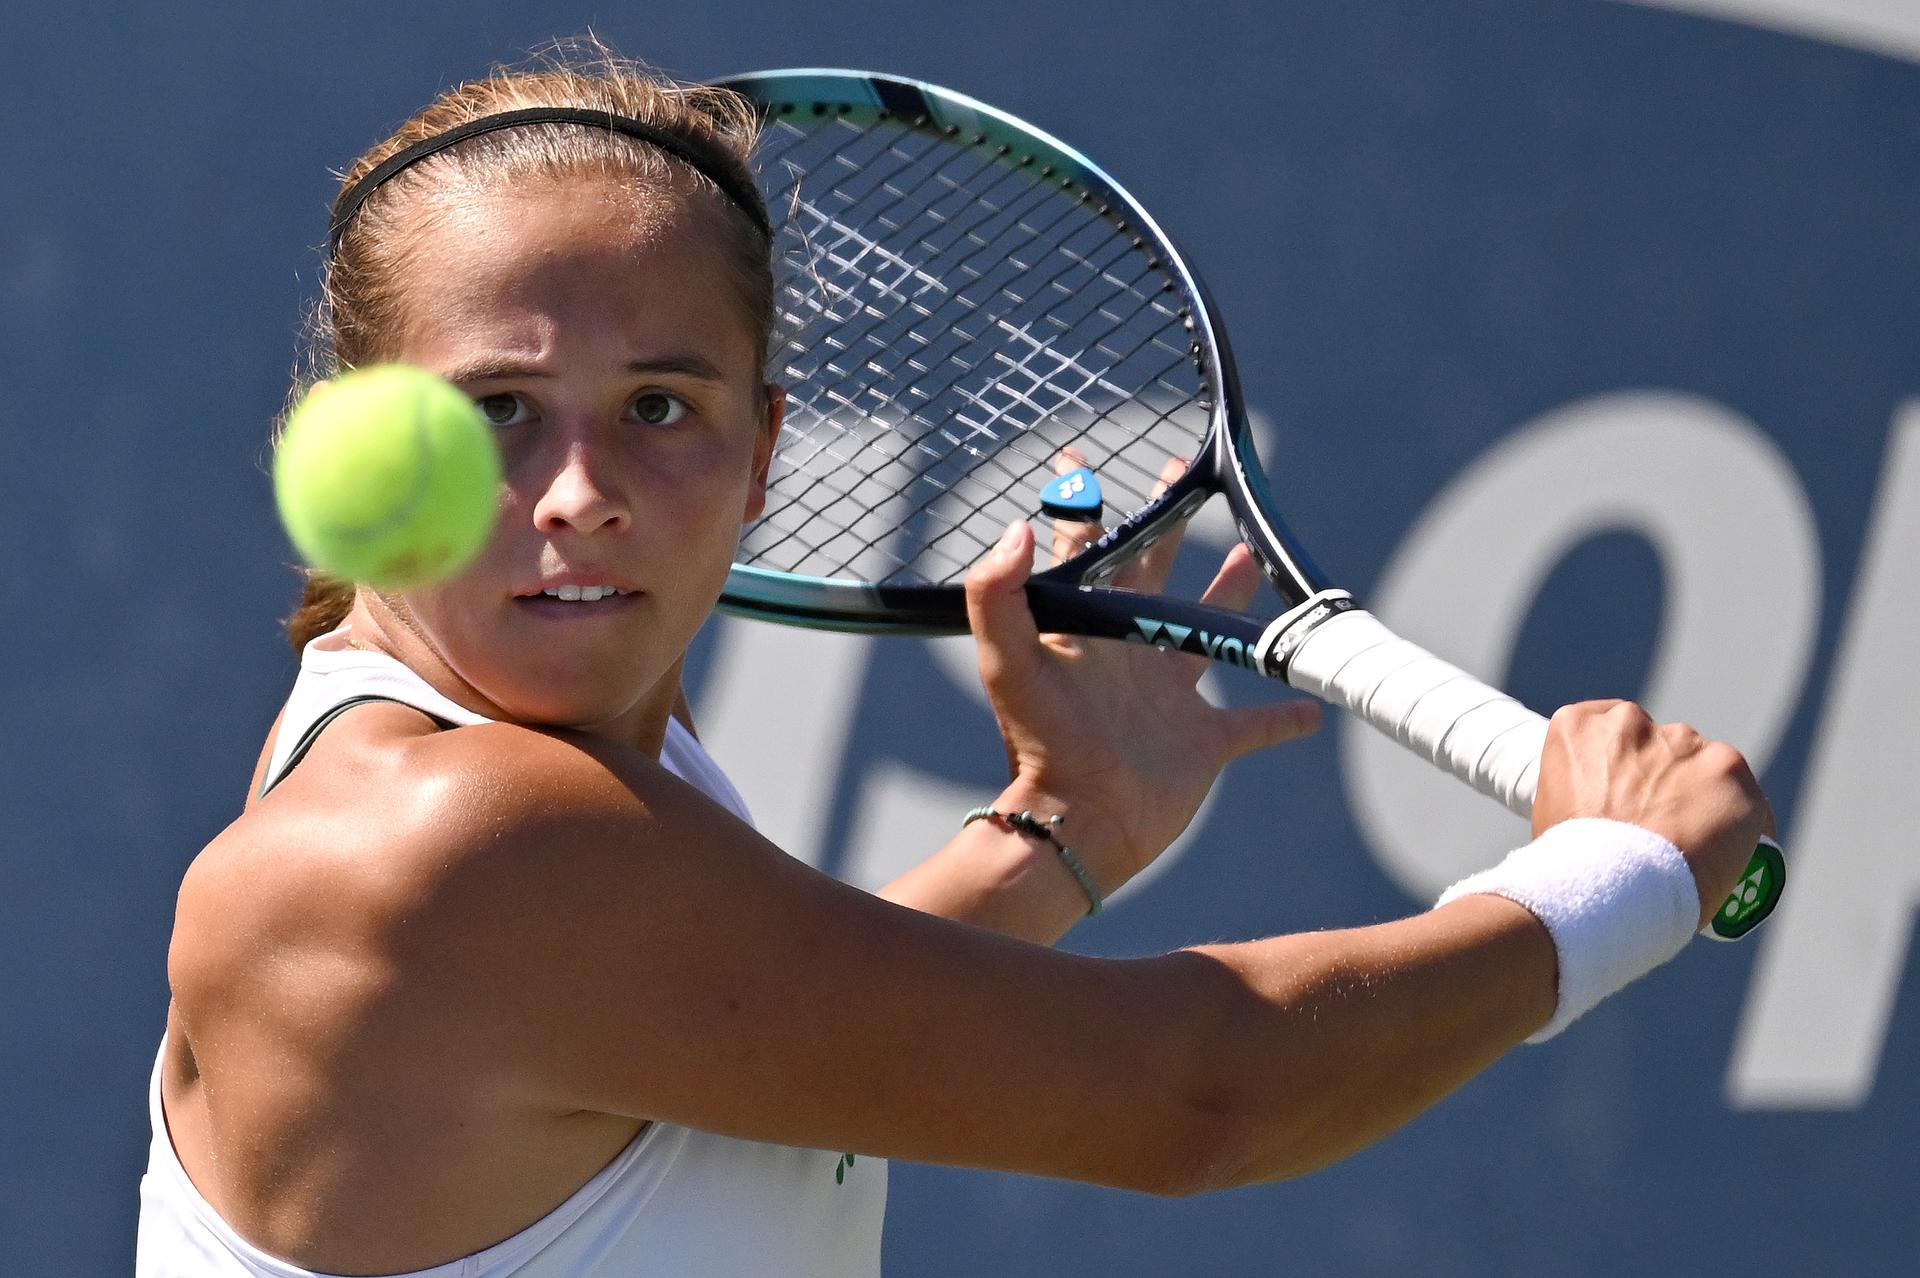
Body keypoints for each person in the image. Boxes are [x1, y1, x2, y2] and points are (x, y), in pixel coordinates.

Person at [137, 43, 1772, 1278]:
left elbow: (767, 1051)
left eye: (661, 407)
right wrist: (1616, 879)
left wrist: (1067, 824)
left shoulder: (549, 796)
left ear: (764, 450)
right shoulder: (449, 841)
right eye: (498, 409)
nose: (583, 491)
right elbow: (1206, 1095)